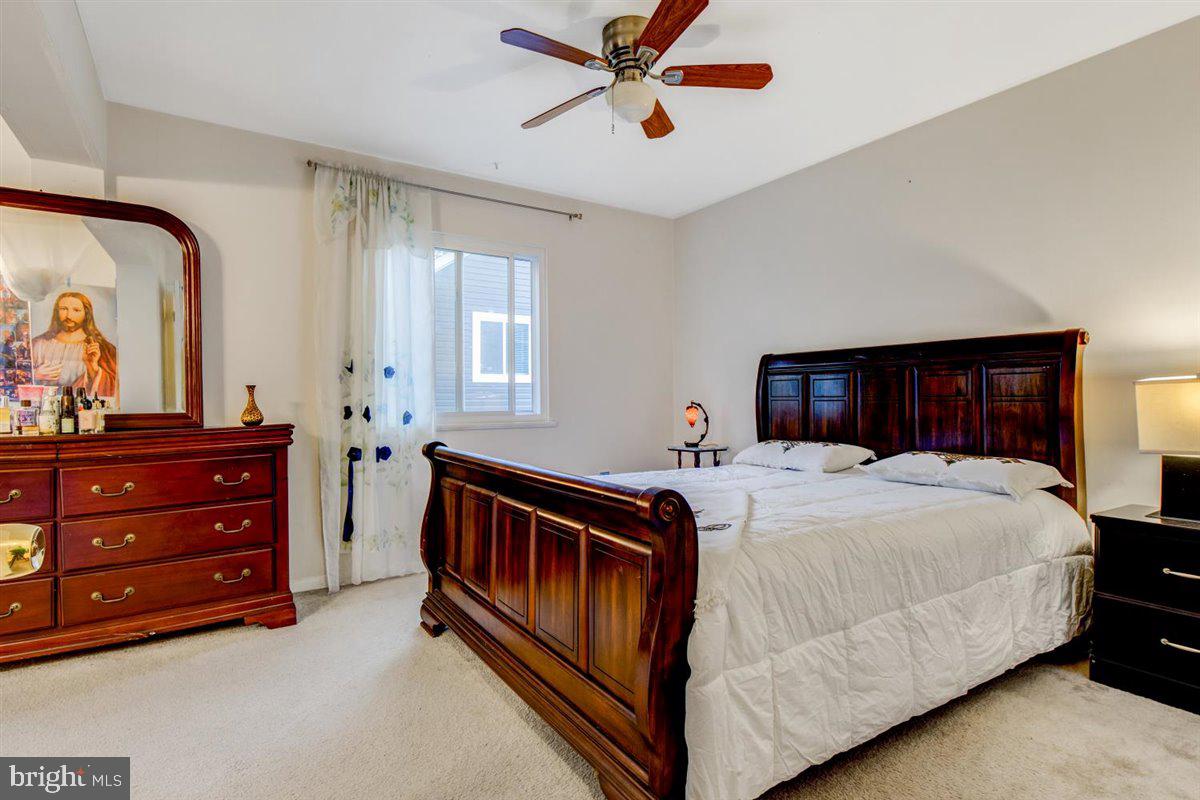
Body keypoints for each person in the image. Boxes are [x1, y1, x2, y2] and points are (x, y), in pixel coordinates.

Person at [31, 291, 118, 399]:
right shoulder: (38, 344)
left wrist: (93, 368)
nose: (69, 315)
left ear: (86, 314)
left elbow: (115, 386)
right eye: (63, 309)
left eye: (76, 310)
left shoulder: (103, 348)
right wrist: (35, 375)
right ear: (56, 312)